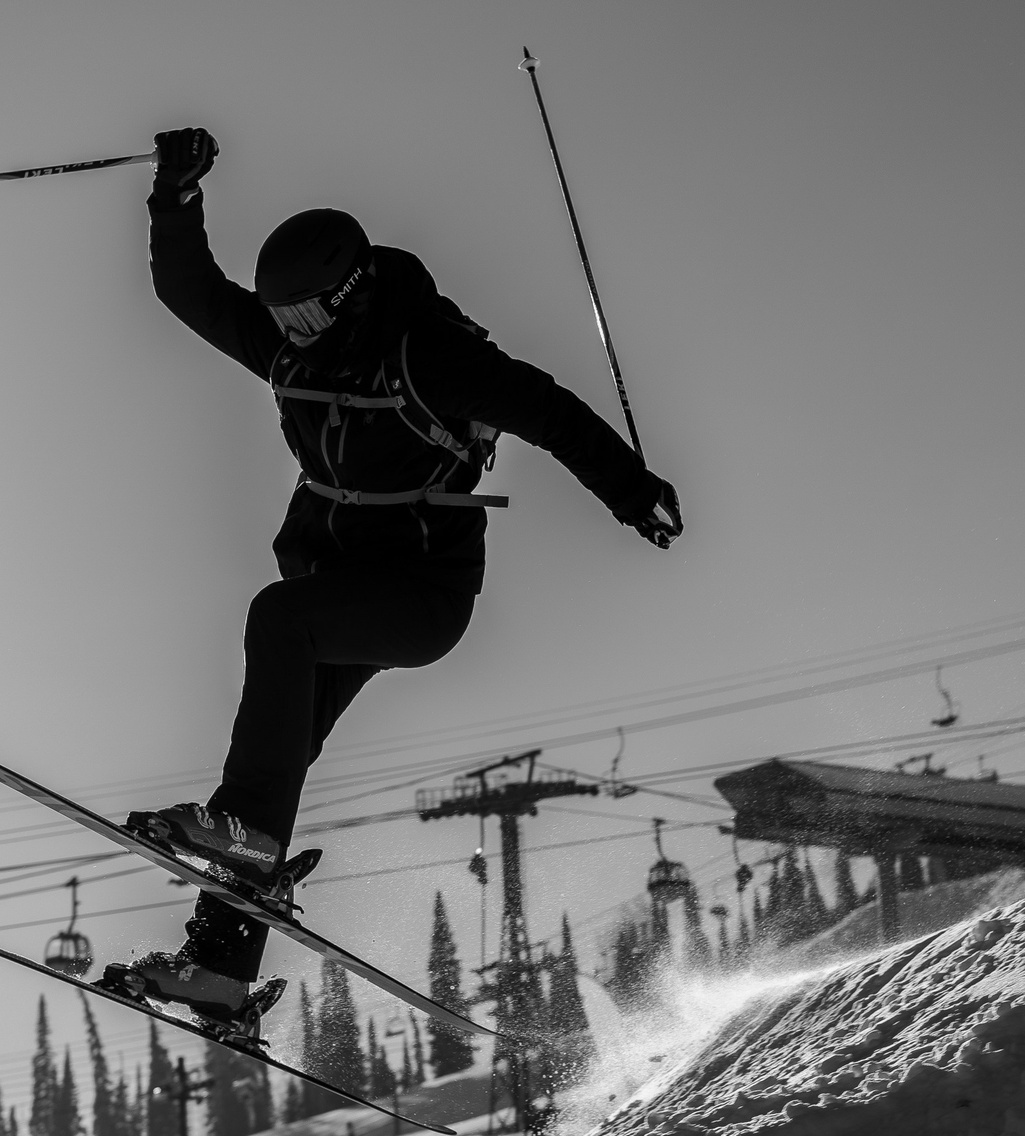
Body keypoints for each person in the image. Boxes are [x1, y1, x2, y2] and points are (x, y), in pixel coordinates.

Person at [99, 127, 683, 1034]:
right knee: (268, 770)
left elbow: (551, 411)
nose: (285, 337)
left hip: (417, 595)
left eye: (302, 318)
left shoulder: (430, 354)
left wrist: (631, 490)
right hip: (339, 591)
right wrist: (175, 195)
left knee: (276, 622)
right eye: (279, 320)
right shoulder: (296, 347)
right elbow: (189, 292)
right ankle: (219, 973)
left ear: (350, 294)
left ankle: (245, 845)